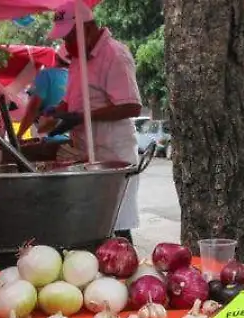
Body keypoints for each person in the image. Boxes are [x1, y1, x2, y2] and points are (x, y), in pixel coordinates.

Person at [45, 5, 142, 240]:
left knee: (115, 225)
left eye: (69, 37)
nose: (66, 46)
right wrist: (57, 113)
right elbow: (72, 101)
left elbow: (132, 105)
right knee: (91, 224)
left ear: (87, 28)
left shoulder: (114, 54)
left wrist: (84, 117)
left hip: (113, 157)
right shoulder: (77, 58)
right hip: (86, 154)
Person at [18, 51, 69, 138]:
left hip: (47, 133)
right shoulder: (74, 77)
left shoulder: (46, 74)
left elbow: (32, 109)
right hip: (70, 133)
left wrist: (18, 135)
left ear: (56, 56)